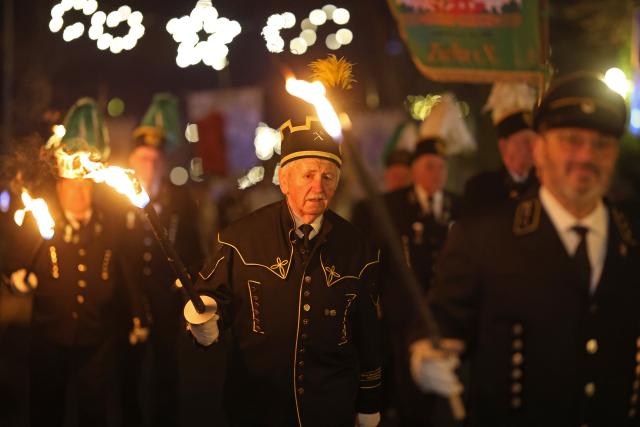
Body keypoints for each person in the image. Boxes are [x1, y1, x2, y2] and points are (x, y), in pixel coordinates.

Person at [410, 72, 640, 426]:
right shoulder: (483, 238)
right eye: (570, 140)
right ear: (539, 149)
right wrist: (426, 353)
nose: (585, 156)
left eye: (601, 144)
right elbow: (444, 322)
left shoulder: (632, 239)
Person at [183, 117, 382, 427]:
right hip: (258, 407)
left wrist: (368, 401)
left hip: (329, 408)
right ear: (284, 180)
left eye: (328, 176)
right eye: (308, 175)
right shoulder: (240, 239)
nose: (319, 187)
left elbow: (368, 332)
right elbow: (212, 296)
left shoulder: (357, 247)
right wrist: (207, 320)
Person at [354, 137, 461, 426]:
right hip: (402, 318)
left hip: (444, 316)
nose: (436, 174)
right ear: (415, 170)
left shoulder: (457, 205)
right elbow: (376, 261)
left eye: (441, 167)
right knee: (408, 394)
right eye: (429, 167)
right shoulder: (392, 207)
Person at [115, 125, 202, 427]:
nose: (149, 166)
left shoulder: (178, 199)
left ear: (163, 164)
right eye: (142, 158)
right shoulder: (116, 200)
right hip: (129, 300)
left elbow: (193, 247)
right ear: (131, 161)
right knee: (129, 371)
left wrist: (185, 282)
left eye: (155, 159)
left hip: (166, 298)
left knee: (166, 369)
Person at [464, 99, 539, 212]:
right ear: (504, 146)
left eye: (535, 142)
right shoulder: (480, 188)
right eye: (525, 142)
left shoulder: (545, 186)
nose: (532, 148)